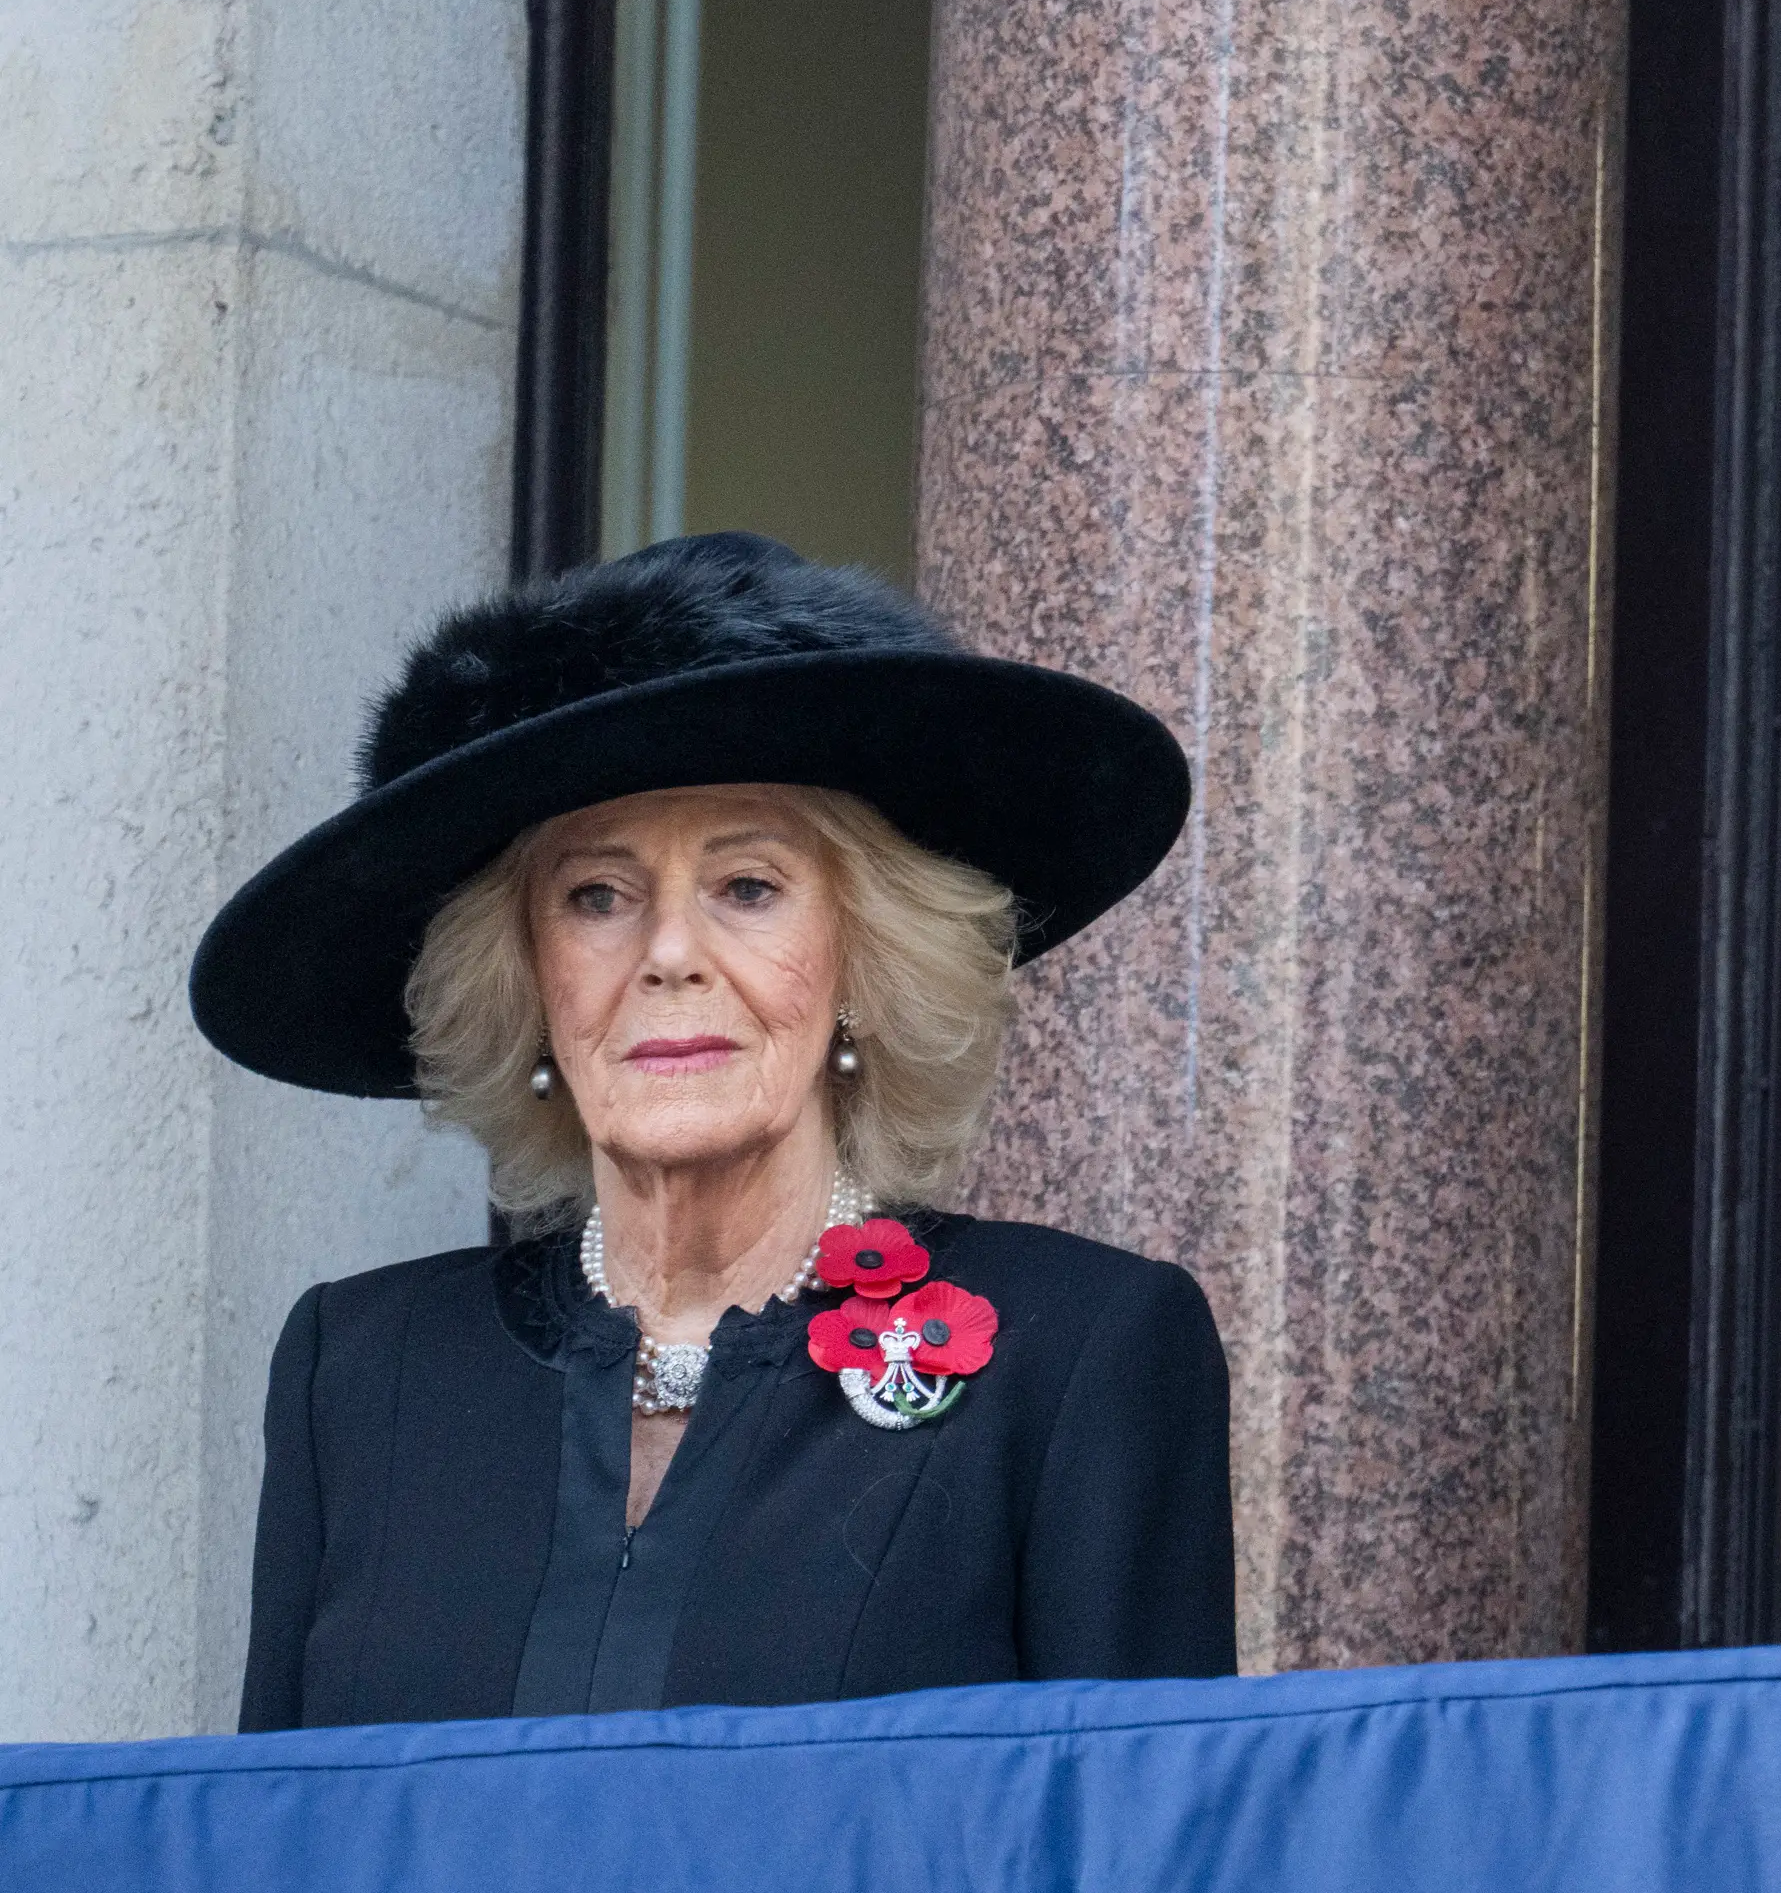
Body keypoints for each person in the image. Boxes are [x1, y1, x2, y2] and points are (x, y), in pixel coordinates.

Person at [198, 532, 1237, 1727]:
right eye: (597, 896)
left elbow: (1146, 1865)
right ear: (528, 979)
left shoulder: (1078, 1356)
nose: (671, 954)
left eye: (748, 887)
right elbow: (275, 1845)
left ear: (863, 959)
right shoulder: (362, 1367)